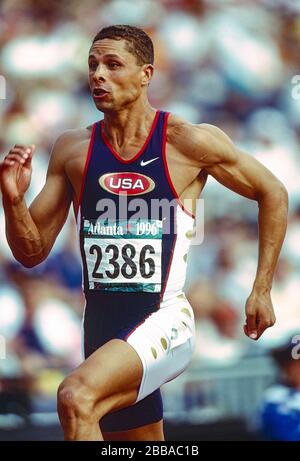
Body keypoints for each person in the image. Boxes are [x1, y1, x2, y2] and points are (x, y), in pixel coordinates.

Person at [0, 25, 288, 441]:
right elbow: (30, 251)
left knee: (75, 396)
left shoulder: (186, 142)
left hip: (164, 319)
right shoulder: (72, 150)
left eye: (113, 64)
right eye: (93, 64)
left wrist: (261, 288)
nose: (98, 74)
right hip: (100, 328)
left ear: (145, 75)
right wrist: (13, 201)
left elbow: (273, 192)